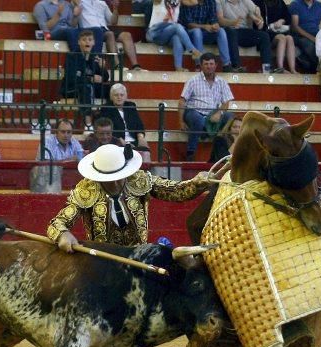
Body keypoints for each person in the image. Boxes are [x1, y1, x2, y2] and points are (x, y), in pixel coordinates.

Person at [47, 143, 213, 249]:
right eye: (109, 180)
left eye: (119, 177)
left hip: (138, 255)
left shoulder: (138, 179)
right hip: (102, 263)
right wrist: (63, 233)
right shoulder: (86, 191)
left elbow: (176, 191)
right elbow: (57, 224)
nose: (116, 183)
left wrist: (197, 183)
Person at [178, 52, 234, 162]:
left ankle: (224, 152)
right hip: (194, 112)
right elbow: (182, 101)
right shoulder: (193, 80)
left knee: (230, 117)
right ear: (201, 66)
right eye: (206, 64)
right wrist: (181, 122)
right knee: (197, 119)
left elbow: (226, 102)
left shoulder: (222, 82)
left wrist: (219, 113)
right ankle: (191, 152)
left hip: (213, 115)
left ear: (215, 65)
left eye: (211, 64)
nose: (209, 66)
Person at [60, 29, 109, 129]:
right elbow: (71, 78)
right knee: (85, 88)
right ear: (79, 42)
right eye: (84, 40)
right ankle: (88, 124)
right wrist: (91, 79)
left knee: (111, 89)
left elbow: (104, 78)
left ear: (94, 42)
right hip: (71, 88)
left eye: (90, 40)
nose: (87, 42)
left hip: (90, 87)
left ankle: (104, 120)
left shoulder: (95, 57)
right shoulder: (72, 56)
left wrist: (103, 68)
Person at [77, 0, 143, 70]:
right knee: (110, 34)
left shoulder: (102, 3)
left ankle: (136, 66)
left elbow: (113, 22)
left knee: (126, 35)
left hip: (104, 29)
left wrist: (115, 9)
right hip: (90, 31)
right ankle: (118, 65)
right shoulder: (80, 2)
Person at [180, 0, 242, 72]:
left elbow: (213, 19)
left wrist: (215, 26)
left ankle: (226, 65)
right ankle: (200, 64)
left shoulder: (211, 1)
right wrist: (204, 26)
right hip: (188, 34)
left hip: (204, 32)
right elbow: (189, 24)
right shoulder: (189, 2)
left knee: (221, 31)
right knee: (197, 31)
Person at [216, 0, 273, 73]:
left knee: (264, 36)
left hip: (244, 31)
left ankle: (266, 69)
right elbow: (220, 20)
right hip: (229, 30)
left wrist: (259, 21)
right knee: (231, 32)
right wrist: (233, 22)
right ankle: (236, 66)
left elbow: (257, 13)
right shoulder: (220, 2)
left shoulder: (246, 1)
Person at [145, 0, 202, 72]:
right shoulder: (159, 1)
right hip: (155, 32)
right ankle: (193, 50)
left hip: (168, 33)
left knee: (177, 38)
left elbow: (194, 2)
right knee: (177, 26)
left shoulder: (178, 2)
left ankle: (178, 67)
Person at [98, 83, 148, 151]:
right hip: (117, 142)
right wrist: (120, 140)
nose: (119, 97)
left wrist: (140, 137)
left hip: (134, 141)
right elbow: (108, 128)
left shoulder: (130, 106)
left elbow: (139, 124)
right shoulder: (106, 108)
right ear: (111, 97)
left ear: (125, 96)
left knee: (145, 151)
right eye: (116, 95)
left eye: (122, 95)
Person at [253, 0, 297, 73]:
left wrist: (282, 21)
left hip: (279, 31)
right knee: (281, 38)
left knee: (290, 38)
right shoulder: (258, 2)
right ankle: (280, 68)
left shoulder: (280, 2)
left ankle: (292, 69)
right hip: (265, 34)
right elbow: (257, 25)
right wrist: (272, 25)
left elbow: (288, 18)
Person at [289, 0, 321, 73]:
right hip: (299, 35)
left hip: (316, 34)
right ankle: (316, 69)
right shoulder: (295, 4)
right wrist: (312, 38)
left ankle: (306, 63)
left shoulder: (320, 5)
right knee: (309, 45)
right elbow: (295, 27)